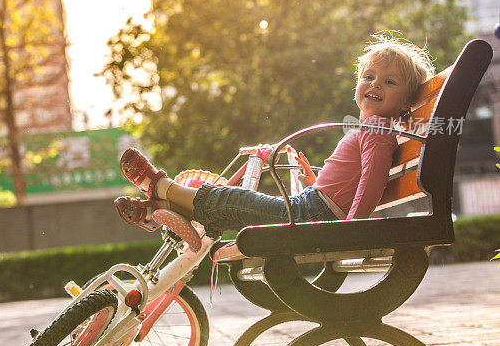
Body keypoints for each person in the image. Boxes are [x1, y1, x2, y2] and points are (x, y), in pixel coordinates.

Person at [114, 36, 435, 238]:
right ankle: (154, 212)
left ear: (406, 102)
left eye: (389, 82)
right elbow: (352, 180)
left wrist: (353, 230)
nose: (375, 85)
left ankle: (160, 187)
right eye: (369, 76)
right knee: (231, 205)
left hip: (313, 213)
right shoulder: (370, 129)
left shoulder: (377, 131)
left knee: (233, 198)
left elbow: (373, 180)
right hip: (313, 206)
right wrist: (315, 179)